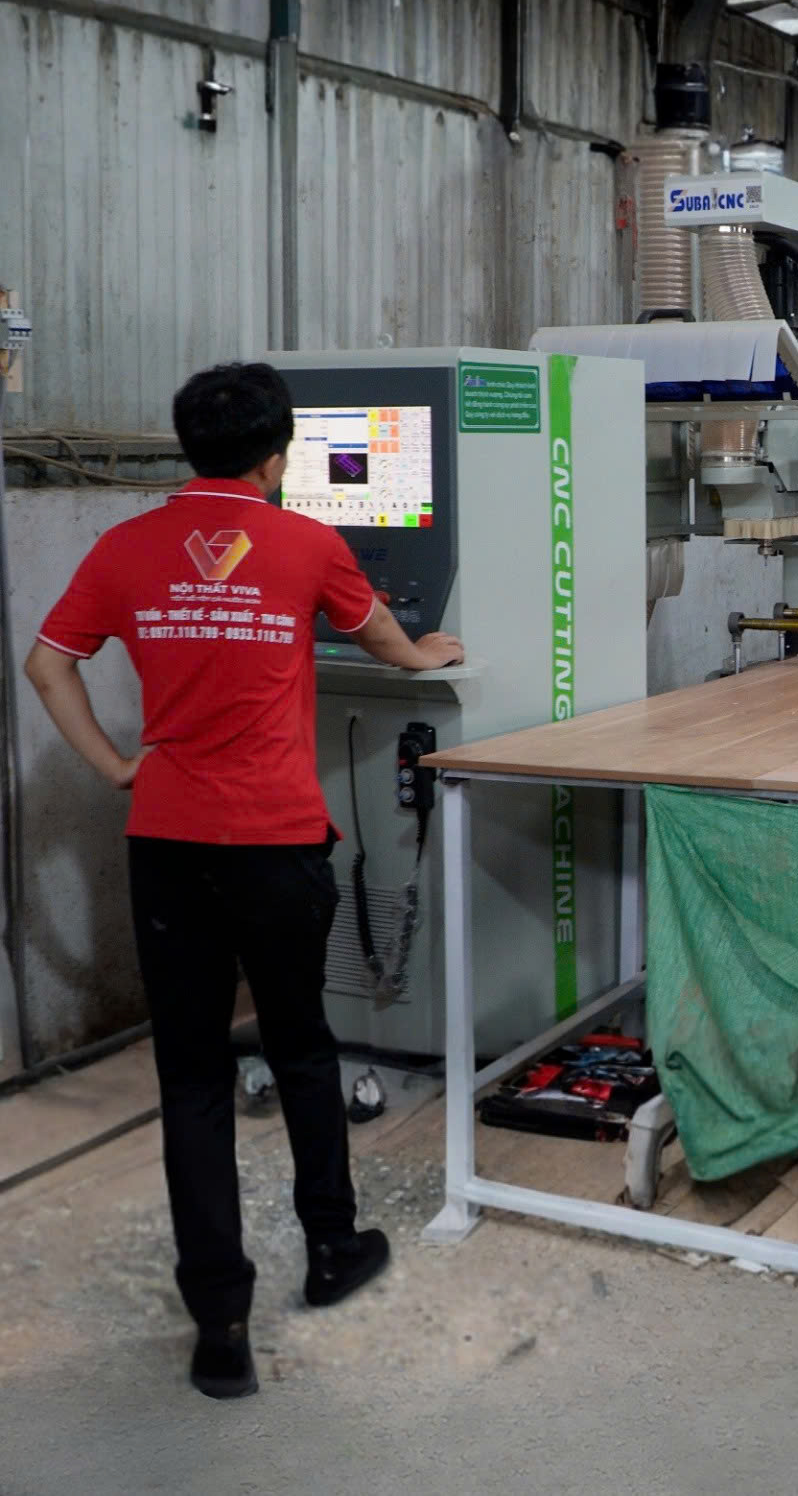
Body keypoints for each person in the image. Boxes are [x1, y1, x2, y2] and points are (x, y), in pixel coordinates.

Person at [24, 362, 463, 1400]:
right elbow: (386, 638)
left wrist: (116, 765)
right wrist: (424, 654)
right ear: (277, 457)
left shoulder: (126, 547)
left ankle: (219, 1326)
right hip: (276, 845)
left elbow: (47, 664)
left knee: (191, 1078)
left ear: (190, 448)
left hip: (168, 842)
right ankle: (331, 1251)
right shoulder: (307, 544)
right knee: (302, 1047)